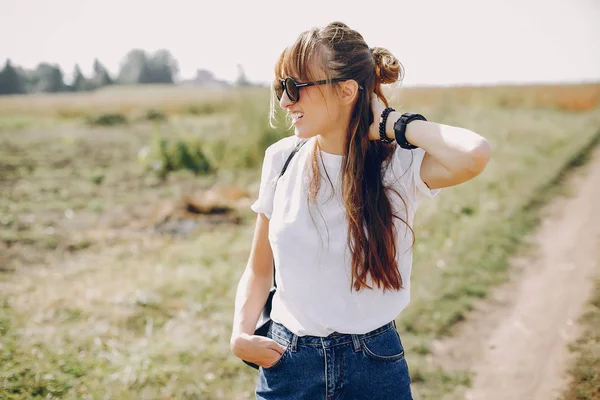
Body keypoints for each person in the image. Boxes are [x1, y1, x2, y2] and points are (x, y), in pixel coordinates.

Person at [229, 21, 491, 400]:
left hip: (373, 365)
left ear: (347, 90)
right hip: (288, 363)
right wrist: (240, 334)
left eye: (294, 88)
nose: (286, 102)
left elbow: (475, 153)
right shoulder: (281, 158)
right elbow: (258, 268)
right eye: (280, 89)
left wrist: (389, 122)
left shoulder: (398, 164)